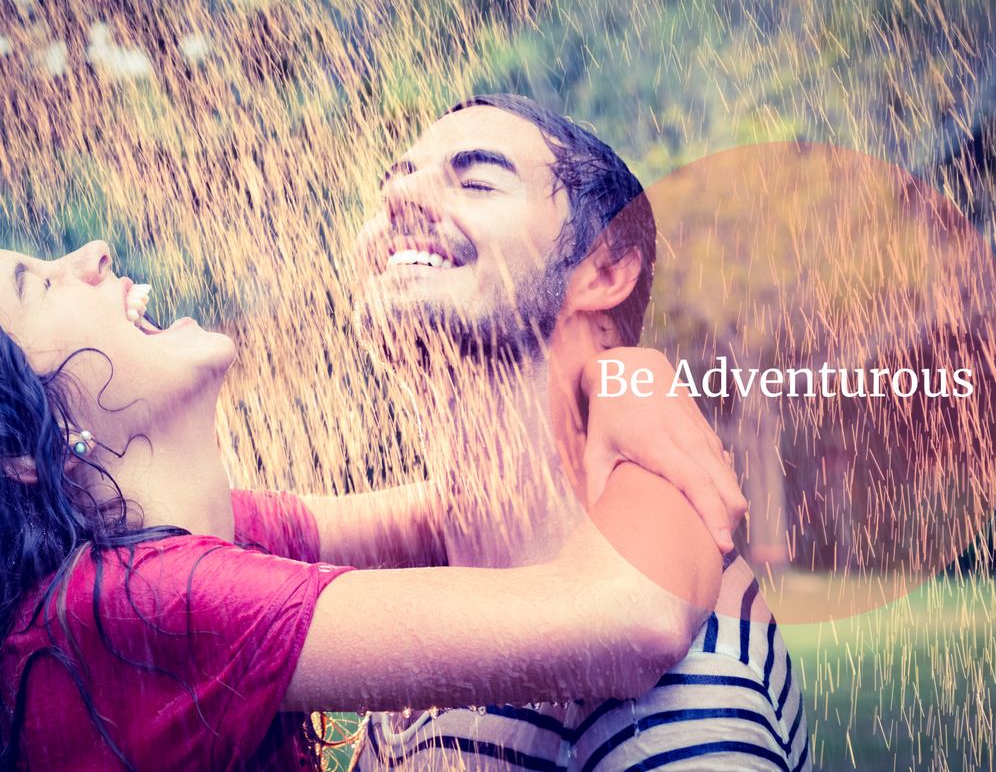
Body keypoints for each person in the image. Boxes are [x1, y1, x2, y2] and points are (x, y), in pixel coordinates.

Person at [0, 240, 747, 770]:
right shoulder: (139, 606)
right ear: (20, 454)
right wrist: (638, 382)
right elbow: (628, 619)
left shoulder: (145, 561)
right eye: (41, 285)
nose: (93, 253)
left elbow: (445, 517)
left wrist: (608, 391)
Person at [349, 94, 810, 771]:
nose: (400, 196)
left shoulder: (665, 692)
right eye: (395, 178)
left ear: (604, 269)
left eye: (476, 181)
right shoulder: (470, 595)